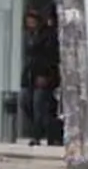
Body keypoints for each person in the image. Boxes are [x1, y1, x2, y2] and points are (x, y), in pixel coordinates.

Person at [20, 9, 59, 146]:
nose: (30, 22)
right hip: (30, 75)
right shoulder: (28, 36)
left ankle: (37, 135)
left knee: (39, 105)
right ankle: (38, 130)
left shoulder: (48, 36)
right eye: (28, 19)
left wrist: (46, 75)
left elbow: (51, 58)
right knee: (25, 101)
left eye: (33, 19)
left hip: (43, 75)